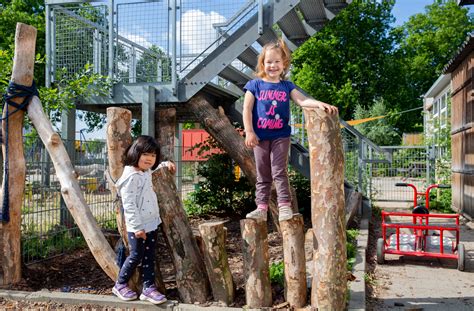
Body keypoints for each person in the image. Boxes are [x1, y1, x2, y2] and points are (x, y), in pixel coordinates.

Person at [243, 39, 338, 222]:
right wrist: (249, 131)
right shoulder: (254, 85)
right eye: (269, 62)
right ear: (263, 64)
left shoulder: (287, 86)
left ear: (283, 64)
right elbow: (247, 109)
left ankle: (284, 205)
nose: (273, 65)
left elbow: (302, 101)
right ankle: (261, 208)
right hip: (260, 137)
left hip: (281, 136)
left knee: (279, 171)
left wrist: (318, 103)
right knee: (263, 173)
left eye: (277, 61)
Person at [112, 135, 175, 304]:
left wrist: (164, 165)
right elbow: (129, 205)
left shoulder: (144, 171)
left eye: (153, 156)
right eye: (146, 155)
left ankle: (148, 288)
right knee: (136, 255)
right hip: (138, 226)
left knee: (149, 256)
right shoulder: (131, 177)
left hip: (151, 222)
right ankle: (120, 284)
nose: (150, 159)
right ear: (136, 153)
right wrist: (137, 227)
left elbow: (153, 170)